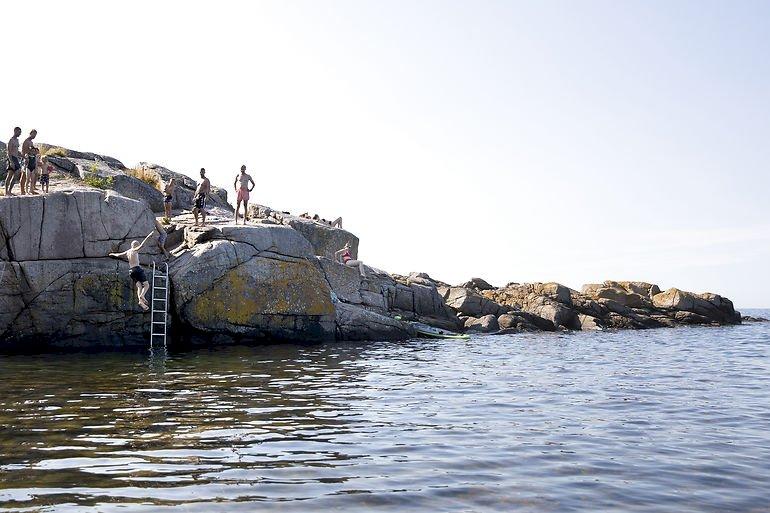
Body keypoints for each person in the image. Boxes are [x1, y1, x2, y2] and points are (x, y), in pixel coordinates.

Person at [108, 232, 155, 311]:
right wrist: (148, 236)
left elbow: (118, 255)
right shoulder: (134, 250)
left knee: (139, 286)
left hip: (131, 271)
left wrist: (112, 254)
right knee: (146, 285)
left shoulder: (128, 251)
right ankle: (142, 296)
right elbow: (142, 245)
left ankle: (140, 302)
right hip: (137, 269)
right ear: (136, 246)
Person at [4, 127, 22, 196]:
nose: (20, 134)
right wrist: (11, 162)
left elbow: (17, 151)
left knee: (16, 174)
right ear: (15, 131)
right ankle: (6, 192)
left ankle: (10, 190)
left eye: (20, 132)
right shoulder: (11, 140)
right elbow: (9, 152)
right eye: (19, 132)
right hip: (11, 158)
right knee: (10, 174)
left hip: (16, 159)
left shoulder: (17, 140)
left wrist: (23, 156)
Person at [20, 129, 37, 195]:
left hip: (31, 159)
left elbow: (33, 151)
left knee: (32, 176)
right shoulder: (26, 141)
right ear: (30, 133)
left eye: (35, 134)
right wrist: (25, 158)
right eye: (33, 134)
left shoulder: (31, 142)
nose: (34, 136)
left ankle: (31, 190)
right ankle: (22, 190)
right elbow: (23, 151)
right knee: (24, 175)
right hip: (25, 159)